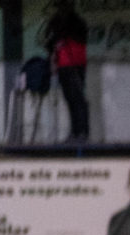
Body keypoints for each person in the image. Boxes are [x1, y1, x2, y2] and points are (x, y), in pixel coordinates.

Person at [43, 0, 89, 142]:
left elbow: (81, 38)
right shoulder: (56, 22)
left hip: (75, 63)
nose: (60, 9)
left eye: (63, 6)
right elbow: (49, 41)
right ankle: (75, 132)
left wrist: (61, 33)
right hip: (63, 64)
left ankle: (82, 132)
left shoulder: (77, 22)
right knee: (70, 99)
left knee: (78, 99)